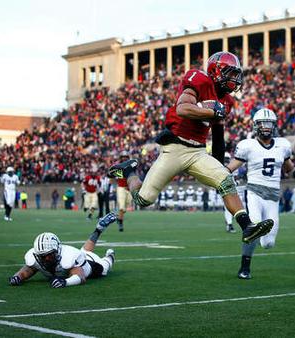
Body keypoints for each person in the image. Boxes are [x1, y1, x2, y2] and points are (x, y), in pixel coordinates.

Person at [108, 52, 273, 244]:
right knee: (144, 199)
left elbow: (218, 137)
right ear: (216, 71)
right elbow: (182, 109)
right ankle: (129, 172)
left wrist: (219, 165)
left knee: (226, 180)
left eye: (236, 74)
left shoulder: (227, 101)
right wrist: (211, 111)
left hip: (198, 152)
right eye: (230, 72)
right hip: (175, 148)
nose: (234, 78)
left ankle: (247, 227)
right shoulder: (199, 80)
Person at [226, 108, 295, 279]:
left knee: (268, 243)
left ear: (274, 126)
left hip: (273, 196)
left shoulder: (283, 145)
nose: (266, 127)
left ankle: (258, 238)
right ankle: (244, 268)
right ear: (256, 125)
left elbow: (289, 168)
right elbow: (230, 167)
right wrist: (221, 173)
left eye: (269, 124)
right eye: (263, 124)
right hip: (254, 192)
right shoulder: (248, 145)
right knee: (252, 229)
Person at [8, 212, 117, 288]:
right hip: (81, 256)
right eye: (42, 256)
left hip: (89, 266)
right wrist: (17, 277)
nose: (46, 259)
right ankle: (98, 229)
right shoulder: (34, 257)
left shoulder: (68, 257)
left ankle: (110, 255)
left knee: (104, 268)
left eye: (49, 255)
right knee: (84, 251)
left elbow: (81, 277)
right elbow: (27, 271)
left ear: (57, 251)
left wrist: (65, 282)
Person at [115, 152, 133, 231]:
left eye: (126, 157)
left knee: (126, 207)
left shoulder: (131, 166)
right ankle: (121, 224)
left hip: (129, 189)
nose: (124, 158)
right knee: (122, 207)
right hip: (121, 188)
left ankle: (119, 218)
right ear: (121, 158)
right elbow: (116, 176)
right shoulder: (118, 166)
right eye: (123, 157)